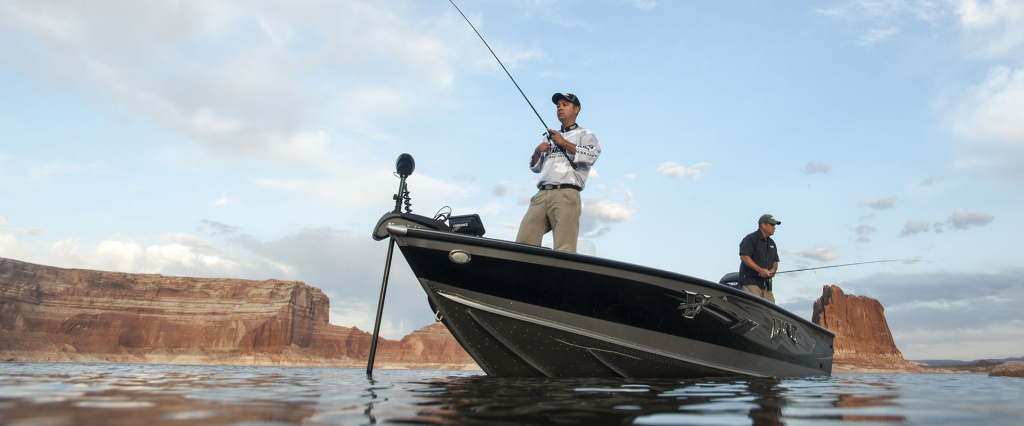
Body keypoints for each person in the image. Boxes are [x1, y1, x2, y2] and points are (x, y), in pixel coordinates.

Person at [515, 93, 601, 253]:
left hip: (567, 193)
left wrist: (564, 143)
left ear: (576, 109)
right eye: (558, 105)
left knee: (564, 247)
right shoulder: (548, 138)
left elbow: (591, 155)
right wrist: (536, 152)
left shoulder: (585, 134)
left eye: (565, 104)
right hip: (541, 194)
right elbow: (535, 168)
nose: (560, 108)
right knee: (523, 242)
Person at [739, 214, 781, 302]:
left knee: (770, 312)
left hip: (767, 285)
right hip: (751, 282)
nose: (774, 228)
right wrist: (760, 270)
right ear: (763, 225)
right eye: (772, 225)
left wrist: (773, 270)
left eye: (775, 225)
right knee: (755, 309)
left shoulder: (772, 243)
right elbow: (744, 257)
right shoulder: (750, 238)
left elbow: (775, 260)